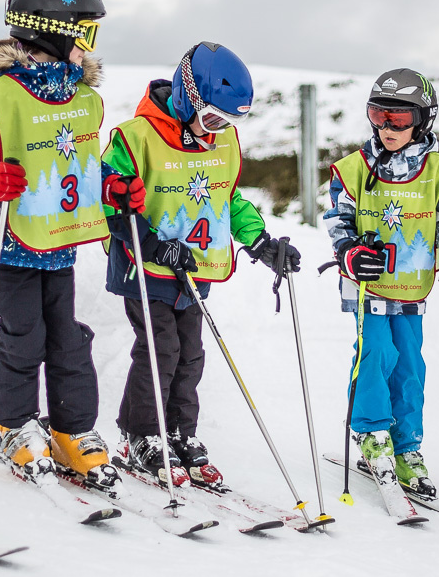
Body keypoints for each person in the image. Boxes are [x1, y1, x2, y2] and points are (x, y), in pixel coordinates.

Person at [0, 0, 119, 490]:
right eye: (82, 31)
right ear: (52, 31)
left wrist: (111, 184)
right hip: (5, 240)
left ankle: (71, 430)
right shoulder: (0, 97)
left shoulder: (81, 97)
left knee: (66, 338)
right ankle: (14, 426)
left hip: (56, 239)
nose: (88, 43)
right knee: (24, 337)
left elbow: (83, 159)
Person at [99, 42, 296, 486]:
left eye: (227, 123)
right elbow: (109, 199)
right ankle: (141, 434)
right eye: (211, 119)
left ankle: (179, 432)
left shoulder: (219, 142)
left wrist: (260, 241)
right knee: (160, 349)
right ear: (187, 96)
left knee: (190, 355)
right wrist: (152, 244)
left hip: (193, 268)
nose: (217, 131)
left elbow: (227, 199)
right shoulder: (136, 137)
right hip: (143, 266)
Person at [324, 69, 439, 498]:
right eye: (378, 115)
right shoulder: (353, 168)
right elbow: (338, 218)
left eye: (400, 119)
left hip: (411, 286)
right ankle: (372, 433)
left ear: (423, 120)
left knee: (409, 362)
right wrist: (349, 251)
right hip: (366, 283)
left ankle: (407, 446)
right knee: (376, 352)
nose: (387, 127)